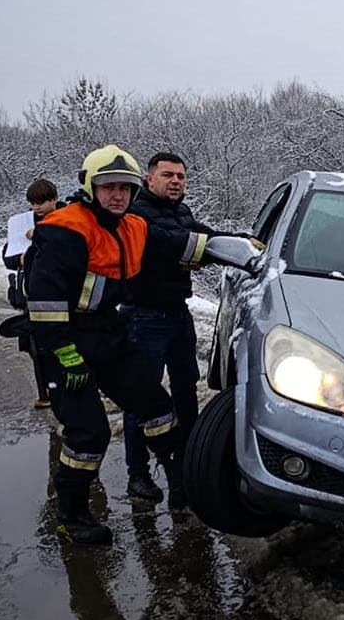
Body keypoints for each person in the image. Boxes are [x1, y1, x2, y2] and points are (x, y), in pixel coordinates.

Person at [26, 145, 213, 546]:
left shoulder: (132, 225)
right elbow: (44, 304)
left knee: (157, 407)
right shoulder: (64, 229)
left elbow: (177, 244)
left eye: (124, 188)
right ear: (90, 188)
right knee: (88, 434)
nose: (117, 195)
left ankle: (180, 484)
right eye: (108, 187)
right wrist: (65, 355)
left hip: (107, 331)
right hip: (63, 340)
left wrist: (240, 249)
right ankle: (72, 517)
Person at [120, 153, 225, 508]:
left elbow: (199, 241)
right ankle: (138, 475)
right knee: (142, 397)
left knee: (185, 389)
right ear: (149, 179)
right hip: (143, 316)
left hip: (178, 313)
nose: (176, 181)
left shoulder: (182, 212)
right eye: (167, 175)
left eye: (181, 176)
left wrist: (238, 243)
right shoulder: (135, 214)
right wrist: (200, 249)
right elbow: (168, 243)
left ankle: (188, 469)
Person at [1, 178, 62, 408]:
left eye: (41, 203)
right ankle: (46, 390)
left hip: (58, 290)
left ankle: (61, 387)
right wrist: (21, 258)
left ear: (54, 200)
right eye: (33, 203)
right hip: (31, 292)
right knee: (35, 344)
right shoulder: (23, 223)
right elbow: (8, 257)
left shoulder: (68, 218)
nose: (36, 208)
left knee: (60, 342)